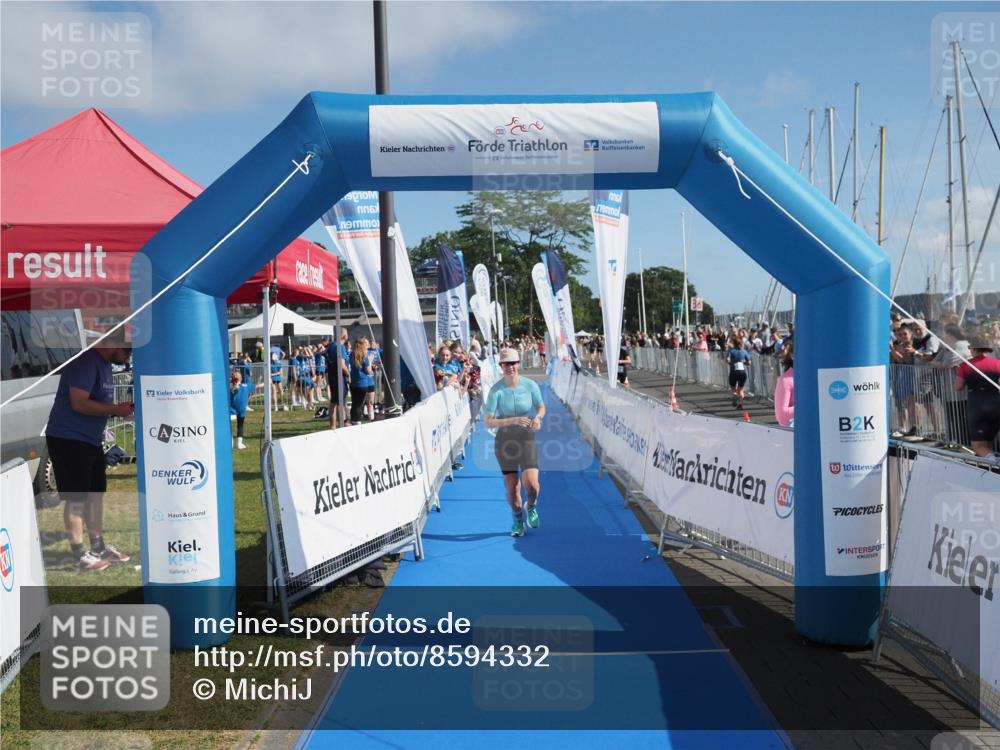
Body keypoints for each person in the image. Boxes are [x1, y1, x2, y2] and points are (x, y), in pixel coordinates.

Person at [44, 332, 134, 572]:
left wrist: (121, 410)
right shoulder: (85, 361)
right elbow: (79, 403)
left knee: (95, 495)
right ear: (114, 343)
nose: (128, 358)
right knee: (76, 499)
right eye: (127, 351)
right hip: (68, 438)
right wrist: (116, 409)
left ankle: (98, 547)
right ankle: (79, 555)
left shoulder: (103, 365)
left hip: (89, 440)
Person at [484, 348, 546, 537]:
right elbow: (488, 421)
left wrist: (538, 419)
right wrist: (512, 420)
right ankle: (518, 519)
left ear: (519, 364)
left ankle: (532, 505)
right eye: (505, 364)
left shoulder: (530, 385)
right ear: (501, 366)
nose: (510, 367)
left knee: (532, 485)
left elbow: (541, 407)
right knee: (513, 488)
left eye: (513, 363)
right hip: (505, 440)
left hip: (526, 437)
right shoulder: (496, 390)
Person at [954, 334, 1000, 461]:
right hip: (996, 404)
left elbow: (958, 386)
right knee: (988, 442)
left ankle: (993, 461)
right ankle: (990, 464)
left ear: (973, 349)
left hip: (977, 406)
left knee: (978, 445)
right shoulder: (998, 363)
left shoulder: (966, 365)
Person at [349, 337, 375, 424]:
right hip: (362, 383)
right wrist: (371, 364)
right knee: (359, 405)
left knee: (354, 403)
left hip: (353, 382)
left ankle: (354, 420)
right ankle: (357, 422)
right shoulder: (365, 356)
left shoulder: (351, 354)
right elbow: (368, 371)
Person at [229, 368, 255, 449]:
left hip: (232, 410)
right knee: (240, 426)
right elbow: (256, 386)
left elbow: (255, 386)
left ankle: (233, 442)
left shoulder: (229, 386)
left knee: (232, 426)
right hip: (237, 410)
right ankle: (238, 443)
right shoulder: (245, 386)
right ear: (241, 378)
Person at [773, 339, 794, 427]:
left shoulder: (817, 376)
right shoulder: (785, 380)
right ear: (792, 356)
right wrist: (809, 405)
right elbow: (782, 415)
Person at [727, 335, 752, 408]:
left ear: (734, 344)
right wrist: (743, 363)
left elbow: (727, 360)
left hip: (733, 371)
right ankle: (740, 404)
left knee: (733, 387)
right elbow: (749, 363)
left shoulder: (731, 351)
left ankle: (734, 394)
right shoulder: (744, 351)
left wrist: (730, 363)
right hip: (742, 372)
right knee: (741, 389)